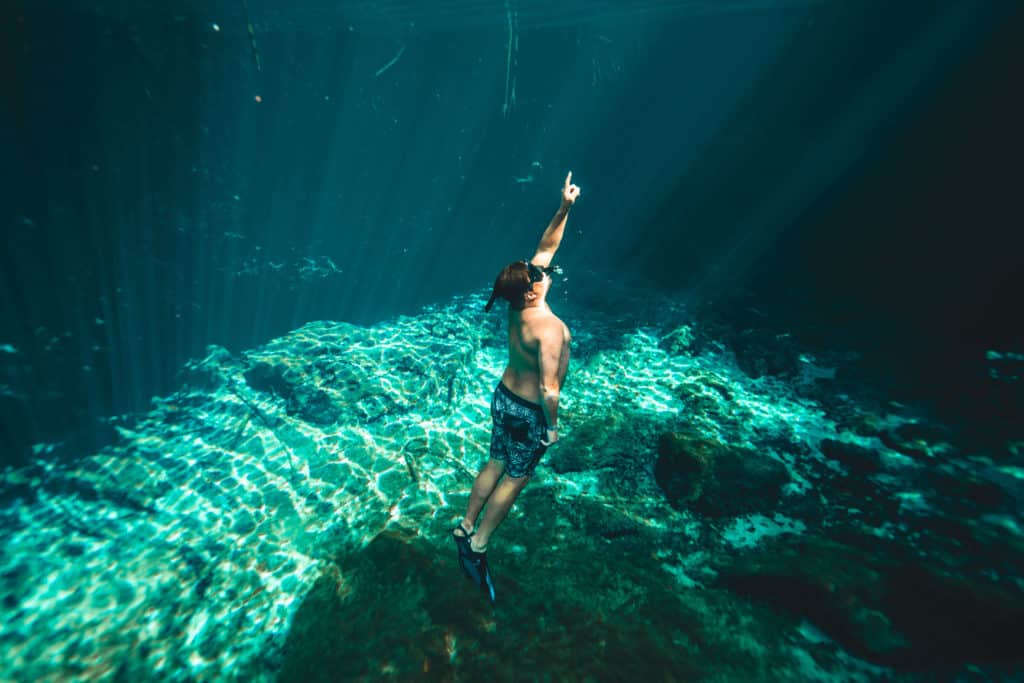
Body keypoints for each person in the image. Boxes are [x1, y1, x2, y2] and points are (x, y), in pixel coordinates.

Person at [453, 171, 580, 601]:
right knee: (515, 476)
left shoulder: (518, 300)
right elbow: (549, 388)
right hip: (529, 412)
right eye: (536, 275)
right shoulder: (549, 328)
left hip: (503, 399)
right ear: (529, 292)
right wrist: (553, 427)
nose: (542, 272)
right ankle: (479, 545)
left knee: (493, 460)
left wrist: (564, 207)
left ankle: (465, 525)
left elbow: (547, 247)